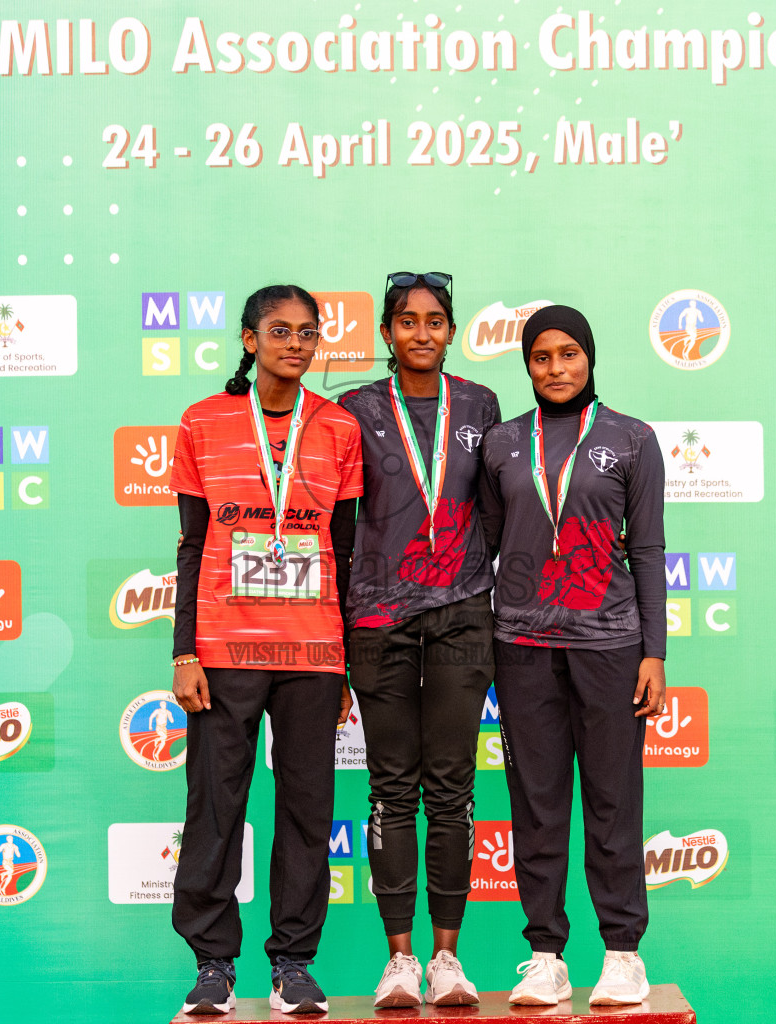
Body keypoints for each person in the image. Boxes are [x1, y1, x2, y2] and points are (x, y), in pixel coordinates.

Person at [169, 285, 364, 1016]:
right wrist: (184, 651)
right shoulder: (203, 422)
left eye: (307, 333)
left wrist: (342, 657)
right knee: (216, 806)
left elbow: (344, 556)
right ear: (249, 340)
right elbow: (192, 547)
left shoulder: (339, 427)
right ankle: (214, 964)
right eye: (279, 331)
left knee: (309, 808)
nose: (295, 343)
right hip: (223, 649)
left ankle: (292, 965)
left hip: (312, 652)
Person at [477, 304, 668, 1007]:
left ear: (589, 357)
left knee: (614, 801)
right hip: (522, 644)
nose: (555, 369)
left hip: (612, 646)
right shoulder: (499, 443)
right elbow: (492, 544)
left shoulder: (631, 438)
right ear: (526, 365)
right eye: (541, 358)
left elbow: (647, 549)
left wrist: (656, 652)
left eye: (568, 355)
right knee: (537, 802)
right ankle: (546, 956)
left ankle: (622, 953)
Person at [336, 272, 500, 1008]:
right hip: (377, 616)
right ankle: (399, 961)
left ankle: (446, 960)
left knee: (454, 789)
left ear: (452, 330)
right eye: (407, 321)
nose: (422, 332)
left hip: (464, 610)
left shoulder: (482, 405)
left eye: (436, 320)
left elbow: (499, 509)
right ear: (387, 333)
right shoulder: (354, 410)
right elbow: (340, 529)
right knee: (392, 788)